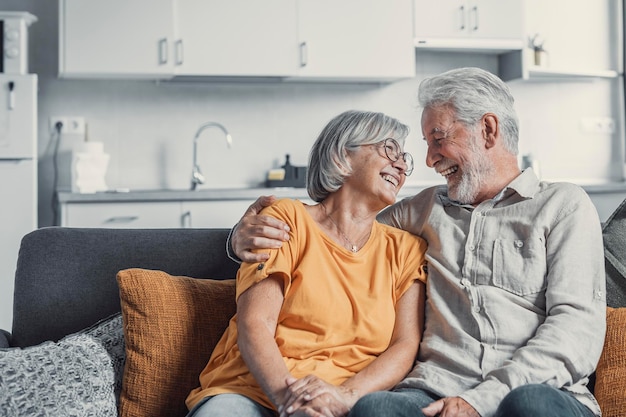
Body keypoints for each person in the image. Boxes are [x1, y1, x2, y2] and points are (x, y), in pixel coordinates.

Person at [228, 67, 607, 417]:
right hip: (431, 396)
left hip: (535, 391)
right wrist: (240, 236)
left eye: (438, 139)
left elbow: (575, 331)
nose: (427, 160)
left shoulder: (562, 205)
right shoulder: (423, 211)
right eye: (425, 145)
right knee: (375, 409)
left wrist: (480, 401)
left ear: (488, 130)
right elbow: (336, 223)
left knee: (530, 403)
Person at [186, 110, 428, 417]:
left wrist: (344, 396)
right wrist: (291, 404)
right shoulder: (286, 220)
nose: (402, 163)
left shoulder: (406, 248)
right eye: (389, 148)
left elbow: (404, 346)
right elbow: (255, 323)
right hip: (252, 392)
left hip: (340, 403)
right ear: (342, 157)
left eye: (405, 156)